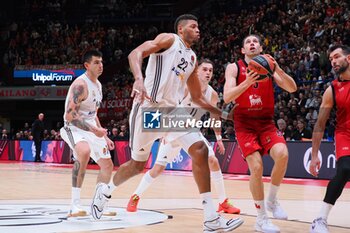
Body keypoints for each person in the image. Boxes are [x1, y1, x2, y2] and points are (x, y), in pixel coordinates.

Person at [91, 14, 244, 231]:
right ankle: (105, 191)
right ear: (181, 29)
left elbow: (198, 98)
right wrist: (138, 79)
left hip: (172, 112)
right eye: (193, 26)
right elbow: (136, 53)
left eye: (199, 26)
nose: (198, 29)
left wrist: (223, 114)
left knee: (200, 149)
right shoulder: (169, 40)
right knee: (137, 165)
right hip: (150, 111)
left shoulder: (192, 58)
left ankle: (211, 218)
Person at [126, 59, 240, 215]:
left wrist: (219, 138)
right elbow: (169, 106)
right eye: (204, 69)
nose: (208, 73)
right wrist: (165, 130)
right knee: (158, 168)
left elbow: (214, 116)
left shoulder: (212, 94)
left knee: (212, 161)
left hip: (192, 132)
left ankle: (223, 202)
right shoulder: (185, 88)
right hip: (175, 128)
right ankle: (135, 196)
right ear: (197, 72)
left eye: (210, 70)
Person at [224, 34, 297, 233]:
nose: (252, 43)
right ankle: (261, 218)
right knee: (256, 167)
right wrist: (247, 82)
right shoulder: (234, 67)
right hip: (244, 123)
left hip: (266, 122)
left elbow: (292, 88)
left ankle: (272, 200)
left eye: (255, 41)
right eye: (247, 42)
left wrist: (277, 68)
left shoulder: (269, 65)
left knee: (282, 154)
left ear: (261, 48)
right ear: (243, 50)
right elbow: (227, 96)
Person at [59, 50, 115, 217]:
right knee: (83, 152)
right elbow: (70, 116)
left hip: (90, 127)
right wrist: (94, 130)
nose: (101, 65)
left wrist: (103, 135)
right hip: (73, 127)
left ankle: (99, 204)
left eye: (102, 62)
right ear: (87, 65)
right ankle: (74, 205)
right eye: (97, 62)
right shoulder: (80, 85)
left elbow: (93, 114)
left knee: (107, 165)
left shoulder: (98, 85)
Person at [309, 45, 350, 233]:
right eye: (331, 58)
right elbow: (320, 124)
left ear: (348, 58)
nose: (333, 61)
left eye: (336, 57)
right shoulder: (331, 90)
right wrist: (315, 154)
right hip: (345, 135)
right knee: (344, 169)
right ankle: (320, 219)